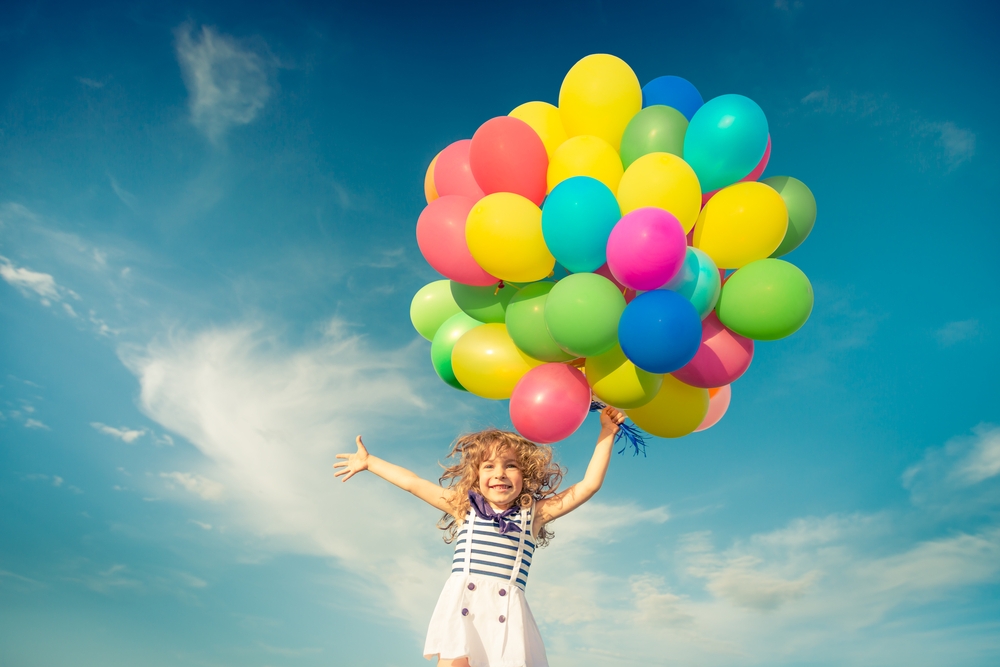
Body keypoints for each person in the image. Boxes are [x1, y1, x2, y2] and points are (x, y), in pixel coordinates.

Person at [333, 406, 626, 667]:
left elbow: (588, 486)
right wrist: (370, 462)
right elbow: (413, 483)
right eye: (489, 466)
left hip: (506, 618)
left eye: (510, 465)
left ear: (525, 475)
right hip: (463, 612)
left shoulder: (533, 515)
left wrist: (607, 432)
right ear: (476, 476)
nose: (500, 473)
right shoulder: (464, 508)